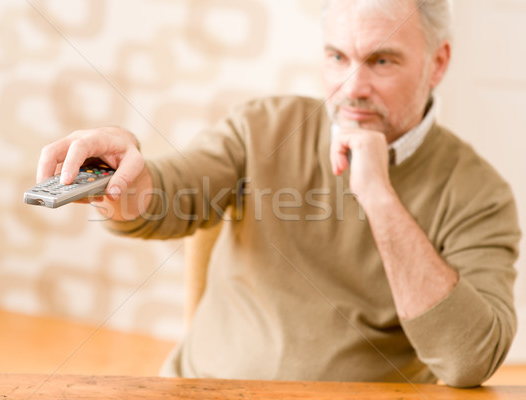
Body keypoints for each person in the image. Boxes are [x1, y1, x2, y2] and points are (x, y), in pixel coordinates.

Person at [36, 0, 521, 388]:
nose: (353, 87)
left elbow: (468, 359)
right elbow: (176, 193)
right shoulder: (262, 126)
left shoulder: (480, 195)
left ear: (438, 63)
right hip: (203, 389)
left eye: (381, 60)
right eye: (337, 57)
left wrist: (378, 196)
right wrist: (125, 177)